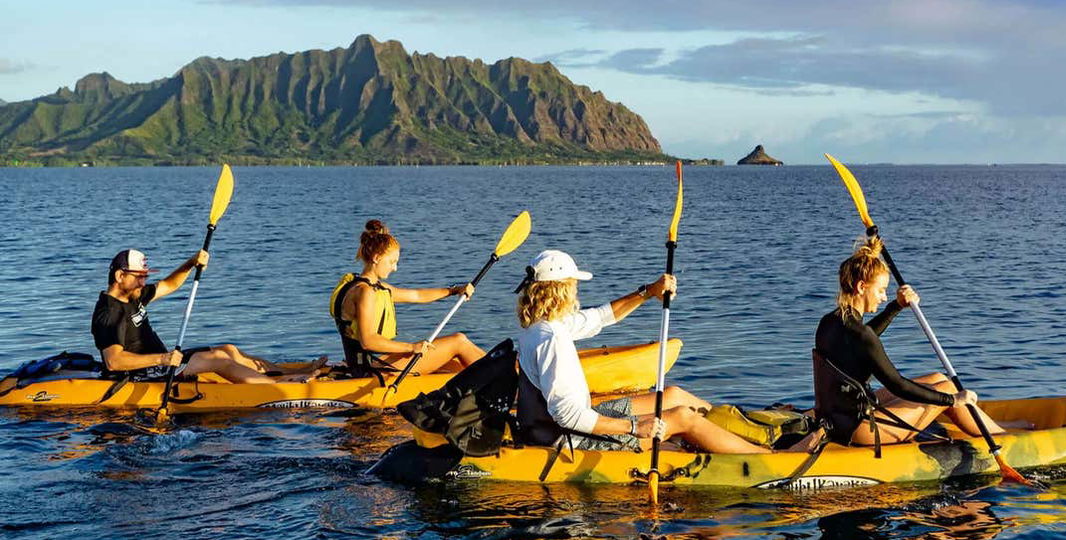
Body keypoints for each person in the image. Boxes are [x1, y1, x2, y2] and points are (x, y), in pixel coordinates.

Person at [514, 249, 768, 454]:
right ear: (562, 291)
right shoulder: (551, 338)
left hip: (578, 423)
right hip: (570, 439)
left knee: (674, 396)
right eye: (573, 285)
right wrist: (634, 427)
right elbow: (567, 415)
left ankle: (748, 431)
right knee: (682, 417)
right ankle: (768, 457)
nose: (576, 291)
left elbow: (602, 316)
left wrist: (649, 292)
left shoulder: (542, 326)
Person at [811, 236, 1023, 448]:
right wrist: (953, 400)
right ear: (861, 287)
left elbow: (861, 341)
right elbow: (899, 385)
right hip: (859, 430)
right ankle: (1003, 436)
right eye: (881, 290)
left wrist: (896, 306)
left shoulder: (830, 322)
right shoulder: (861, 334)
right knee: (948, 388)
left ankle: (992, 425)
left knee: (937, 378)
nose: (883, 297)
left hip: (839, 418)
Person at [91, 249, 324, 383]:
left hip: (162, 362)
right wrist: (163, 359)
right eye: (139, 276)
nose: (144, 281)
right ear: (120, 276)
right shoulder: (109, 313)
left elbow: (169, 284)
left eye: (145, 276)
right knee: (217, 360)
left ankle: (293, 372)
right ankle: (279, 386)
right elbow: (114, 361)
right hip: (144, 373)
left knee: (228, 349)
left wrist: (192, 263)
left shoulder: (133, 295)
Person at [330, 220, 485, 378]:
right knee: (458, 341)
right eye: (392, 262)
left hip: (372, 364)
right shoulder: (365, 292)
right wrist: (412, 347)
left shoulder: (362, 286)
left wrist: (453, 290)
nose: (395, 268)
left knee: (457, 365)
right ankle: (506, 376)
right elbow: (368, 341)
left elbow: (417, 295)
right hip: (370, 371)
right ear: (376, 258)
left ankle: (502, 370)